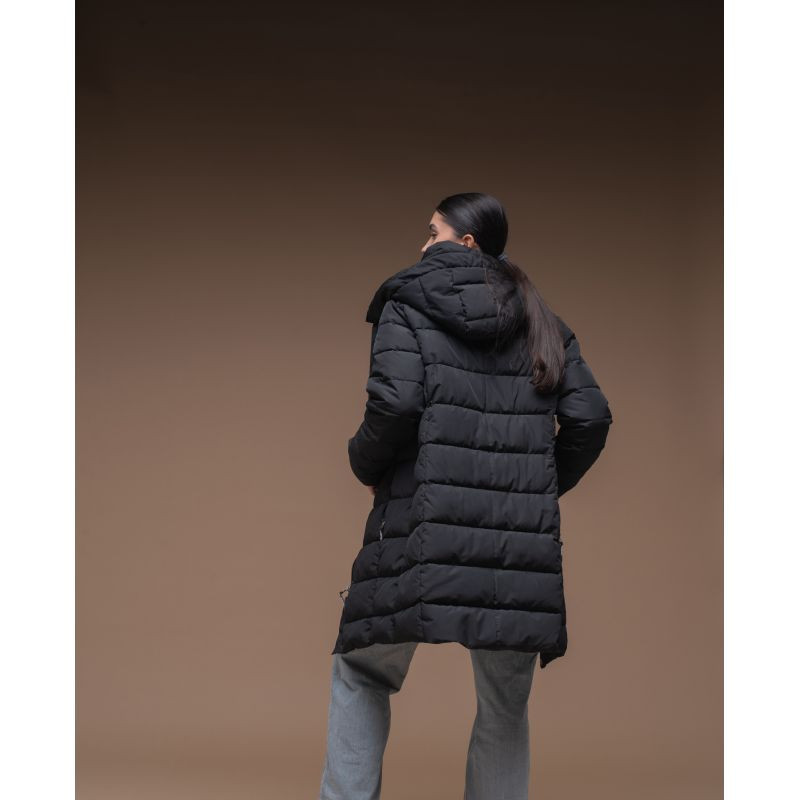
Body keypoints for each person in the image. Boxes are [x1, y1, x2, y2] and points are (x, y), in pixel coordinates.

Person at [319, 192, 613, 800]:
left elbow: (396, 401)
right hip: (516, 545)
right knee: (505, 703)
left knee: (362, 671)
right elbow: (590, 417)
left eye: (433, 232)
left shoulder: (408, 300)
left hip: (420, 528)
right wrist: (535, 486)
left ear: (467, 241)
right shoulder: (541, 317)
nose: (424, 243)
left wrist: (363, 462)